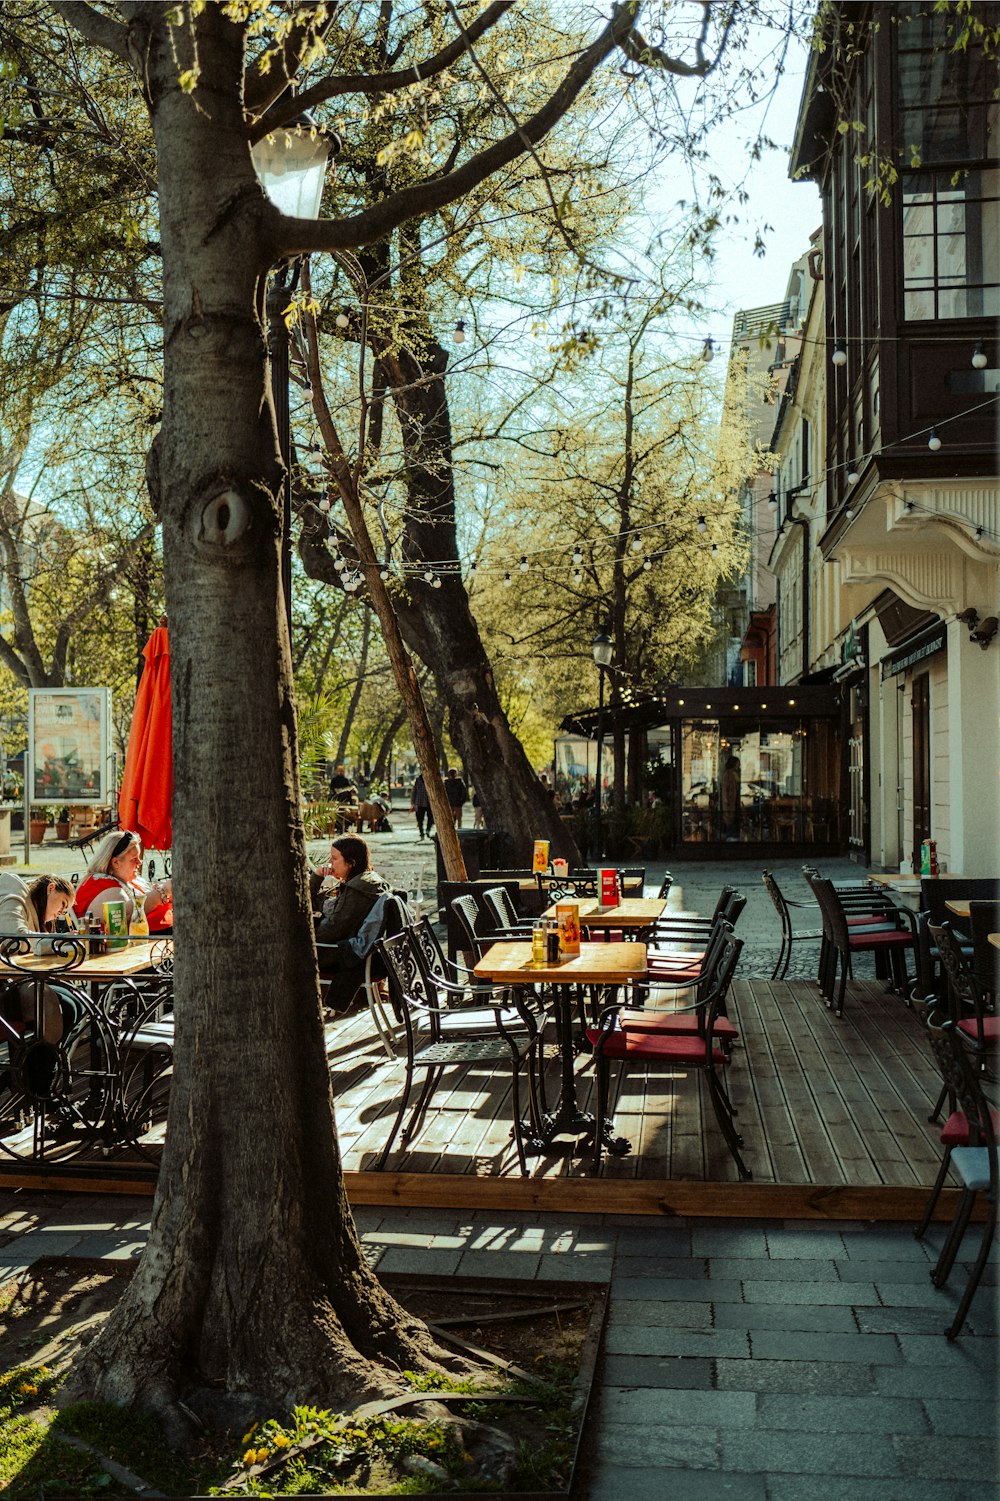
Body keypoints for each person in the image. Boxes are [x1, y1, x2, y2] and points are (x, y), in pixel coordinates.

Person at [311, 835, 392, 1011]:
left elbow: (334, 930)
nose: (330, 863)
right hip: (362, 951)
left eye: (334, 858)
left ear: (351, 862)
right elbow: (321, 906)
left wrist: (307, 936)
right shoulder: (368, 880)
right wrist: (318, 876)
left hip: (338, 953)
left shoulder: (357, 890)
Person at [0, 871, 80, 1043]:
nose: (61, 913)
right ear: (51, 888)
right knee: (66, 1005)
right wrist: (59, 941)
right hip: (5, 985)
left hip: (18, 979)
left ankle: (41, 1065)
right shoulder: (14, 889)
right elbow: (12, 938)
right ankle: (39, 1067)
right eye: (63, 904)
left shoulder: (38, 918)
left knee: (75, 1001)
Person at [74, 829, 173, 933]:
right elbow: (125, 916)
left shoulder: (124, 880)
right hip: (145, 945)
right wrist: (163, 891)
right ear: (116, 863)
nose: (139, 863)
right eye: (134, 859)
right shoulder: (102, 884)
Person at [721, 755, 742, 841]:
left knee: (734, 816)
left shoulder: (735, 772)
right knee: (729, 817)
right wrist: (726, 800)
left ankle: (734, 834)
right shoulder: (728, 773)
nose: (739, 764)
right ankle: (730, 835)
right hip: (730, 800)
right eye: (738, 762)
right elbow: (725, 788)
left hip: (735, 798)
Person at [409, 773, 433, 839]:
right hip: (420, 802)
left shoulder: (431, 779)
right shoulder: (418, 780)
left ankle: (428, 830)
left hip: (429, 803)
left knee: (430, 818)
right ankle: (421, 832)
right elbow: (414, 790)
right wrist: (413, 802)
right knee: (419, 819)